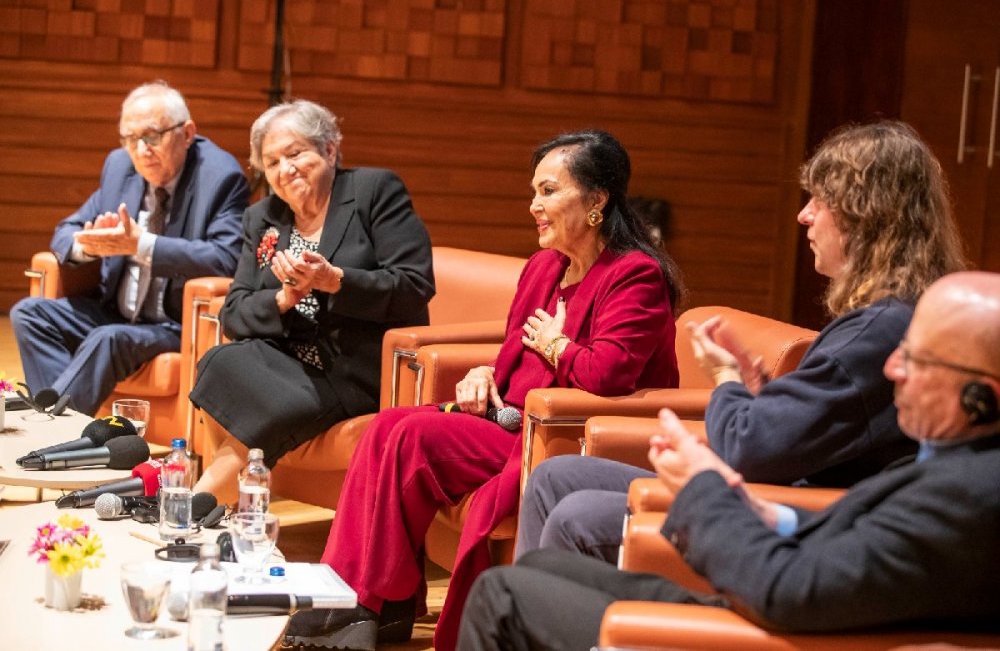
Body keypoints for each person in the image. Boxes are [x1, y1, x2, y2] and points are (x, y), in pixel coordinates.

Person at [281, 130, 685, 651]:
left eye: (548, 191)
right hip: (511, 418)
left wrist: (557, 346)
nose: (534, 205)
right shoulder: (544, 266)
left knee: (411, 439)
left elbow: (608, 375)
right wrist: (487, 373)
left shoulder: (635, 275)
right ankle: (369, 600)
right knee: (388, 426)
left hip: (560, 437)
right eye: (533, 191)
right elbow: (519, 350)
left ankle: (364, 604)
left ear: (597, 200)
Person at [459, 270, 1000, 650]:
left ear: (981, 396)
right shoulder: (962, 464)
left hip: (765, 631)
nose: (894, 370)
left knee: (500, 596)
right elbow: (862, 547)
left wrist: (704, 488)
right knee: (542, 567)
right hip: (777, 609)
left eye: (916, 358)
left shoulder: (968, 496)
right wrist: (764, 510)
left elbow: (792, 590)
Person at [515, 120, 967, 564]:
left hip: (791, 516)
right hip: (769, 484)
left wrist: (727, 378)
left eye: (821, 200)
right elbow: (807, 426)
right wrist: (760, 392)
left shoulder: (877, 333)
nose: (804, 214)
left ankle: (534, 604)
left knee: (577, 515)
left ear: (865, 215)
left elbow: (750, 448)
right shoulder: (886, 320)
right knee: (555, 476)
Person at [189, 100, 435, 501]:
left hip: (351, 369)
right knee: (220, 361)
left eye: (295, 153)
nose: (285, 170)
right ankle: (211, 508)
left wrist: (335, 281)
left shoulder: (374, 191)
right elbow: (234, 312)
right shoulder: (263, 217)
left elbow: (414, 284)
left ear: (329, 150)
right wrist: (283, 298)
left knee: (274, 403)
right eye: (272, 163)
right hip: (285, 357)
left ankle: (199, 507)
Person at [10, 81, 248, 416]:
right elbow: (65, 232)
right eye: (130, 138)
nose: (140, 150)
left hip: (172, 324)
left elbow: (226, 258)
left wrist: (142, 245)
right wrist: (92, 245)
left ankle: (48, 425)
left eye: (151, 136)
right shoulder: (120, 167)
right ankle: (63, 423)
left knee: (107, 339)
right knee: (29, 314)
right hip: (115, 311)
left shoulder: (219, 177)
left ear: (187, 133)